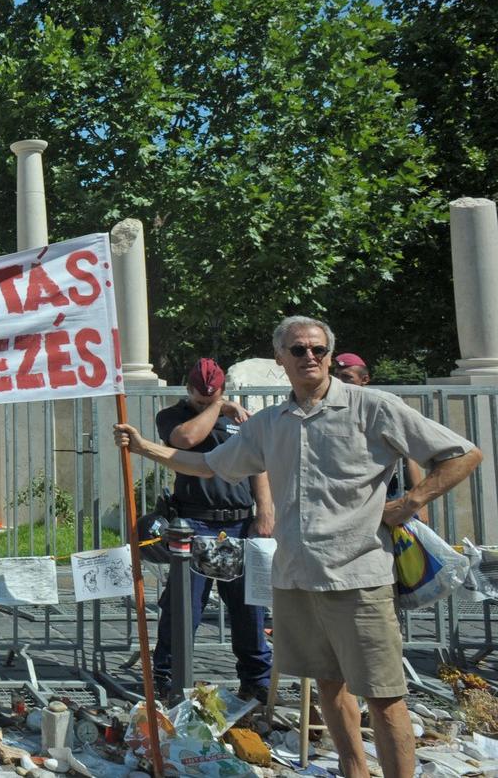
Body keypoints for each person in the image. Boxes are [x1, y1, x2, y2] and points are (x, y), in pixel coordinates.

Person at [114, 316, 483, 778]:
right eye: (298, 350)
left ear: (329, 355)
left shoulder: (374, 407)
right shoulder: (270, 423)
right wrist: (145, 448)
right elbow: (209, 463)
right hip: (296, 577)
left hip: (359, 576)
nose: (310, 356)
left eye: (319, 349)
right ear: (280, 359)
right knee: (329, 687)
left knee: (385, 697)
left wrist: (409, 502)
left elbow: (463, 453)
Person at [150, 358, 273, 699]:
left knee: (249, 608)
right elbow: (186, 440)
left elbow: (257, 465)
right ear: (188, 390)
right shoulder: (173, 415)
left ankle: (256, 680)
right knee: (183, 607)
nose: (206, 402)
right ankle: (168, 675)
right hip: (194, 520)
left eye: (213, 396)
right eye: (201, 399)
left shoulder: (240, 420)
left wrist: (265, 510)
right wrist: (217, 406)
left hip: (238, 521)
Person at [336, 353, 428, 517]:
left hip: (385, 491)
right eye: (337, 377)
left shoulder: (380, 407)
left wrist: (419, 503)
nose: (340, 383)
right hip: (344, 493)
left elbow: (409, 457)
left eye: (346, 377)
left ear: (364, 380)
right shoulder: (331, 409)